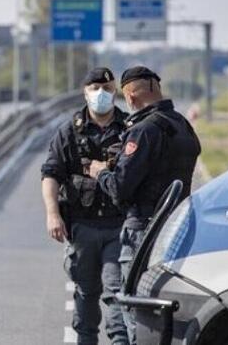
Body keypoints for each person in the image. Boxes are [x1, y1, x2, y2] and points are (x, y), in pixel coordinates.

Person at [89, 66, 201, 344]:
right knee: (165, 319)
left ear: (130, 96)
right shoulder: (183, 126)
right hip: (177, 232)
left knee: (136, 316)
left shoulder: (144, 131)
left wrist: (100, 172)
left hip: (143, 234)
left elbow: (120, 189)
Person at [40, 67, 129, 345]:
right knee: (86, 292)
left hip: (118, 226)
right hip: (82, 227)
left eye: (107, 88)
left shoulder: (129, 129)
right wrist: (53, 214)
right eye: (95, 88)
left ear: (115, 91)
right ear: (85, 92)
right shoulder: (69, 131)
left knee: (116, 292)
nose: (101, 93)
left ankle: (120, 341)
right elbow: (50, 174)